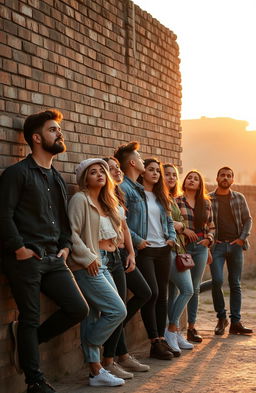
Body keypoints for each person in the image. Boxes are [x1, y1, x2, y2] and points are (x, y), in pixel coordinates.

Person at [0, 109, 89, 393]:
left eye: (58, 130)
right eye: (53, 130)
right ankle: (34, 381)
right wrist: (19, 248)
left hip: (54, 257)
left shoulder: (57, 178)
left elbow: (63, 220)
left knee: (78, 308)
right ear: (36, 138)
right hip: (26, 259)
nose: (59, 134)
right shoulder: (17, 174)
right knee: (30, 316)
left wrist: (64, 246)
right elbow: (3, 215)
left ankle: (30, 342)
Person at [68, 158, 127, 387]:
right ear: (85, 178)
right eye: (93, 172)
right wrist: (88, 257)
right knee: (117, 310)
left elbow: (118, 235)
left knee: (94, 314)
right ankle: (90, 345)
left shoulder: (107, 201)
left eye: (102, 171)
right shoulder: (79, 199)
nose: (100, 174)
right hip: (89, 263)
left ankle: (95, 372)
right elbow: (71, 233)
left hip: (108, 261)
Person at [114, 142, 176, 360]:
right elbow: (122, 221)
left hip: (163, 249)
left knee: (162, 295)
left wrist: (172, 239)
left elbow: (168, 220)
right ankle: (153, 341)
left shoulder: (154, 194)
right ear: (132, 162)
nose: (155, 173)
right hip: (145, 249)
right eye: (141, 159)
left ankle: (160, 340)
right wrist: (139, 241)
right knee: (152, 293)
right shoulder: (126, 188)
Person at [101, 156, 151, 378]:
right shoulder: (100, 198)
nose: (117, 171)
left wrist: (131, 252)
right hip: (108, 256)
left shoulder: (117, 195)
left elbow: (125, 227)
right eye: (111, 169)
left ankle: (120, 354)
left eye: (117, 168)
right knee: (118, 307)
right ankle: (113, 358)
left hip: (123, 253)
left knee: (144, 293)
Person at [209, 167, 253, 335]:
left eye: (228, 176)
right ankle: (221, 318)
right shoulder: (209, 199)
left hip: (235, 245)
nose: (225, 178)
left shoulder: (239, 198)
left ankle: (236, 322)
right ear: (217, 178)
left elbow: (247, 220)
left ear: (232, 180)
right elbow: (206, 221)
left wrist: (242, 238)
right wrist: (211, 239)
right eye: (222, 175)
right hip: (217, 246)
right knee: (217, 281)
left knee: (235, 284)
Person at [176, 170, 215, 343]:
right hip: (183, 247)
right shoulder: (177, 201)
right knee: (182, 288)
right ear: (184, 182)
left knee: (195, 288)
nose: (192, 181)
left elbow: (212, 226)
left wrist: (209, 240)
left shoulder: (206, 203)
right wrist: (185, 230)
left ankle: (191, 327)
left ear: (200, 184)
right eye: (189, 178)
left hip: (201, 247)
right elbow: (173, 222)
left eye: (196, 179)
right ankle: (174, 328)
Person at [163, 164, 194, 354]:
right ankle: (171, 330)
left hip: (178, 249)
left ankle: (174, 332)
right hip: (169, 251)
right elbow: (168, 222)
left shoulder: (171, 199)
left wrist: (179, 225)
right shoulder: (160, 198)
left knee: (173, 293)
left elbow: (177, 223)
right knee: (188, 290)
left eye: (174, 175)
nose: (171, 177)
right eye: (167, 174)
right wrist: (181, 226)